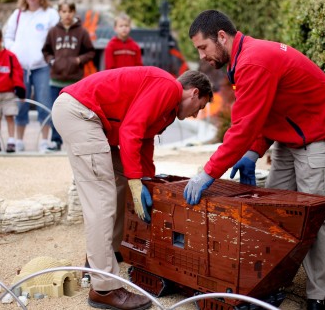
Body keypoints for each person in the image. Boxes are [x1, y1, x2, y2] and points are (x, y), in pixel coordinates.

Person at [184, 10, 325, 310]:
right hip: (292, 131)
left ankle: (320, 296)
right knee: (275, 211)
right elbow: (264, 110)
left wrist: (208, 173)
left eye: (203, 47)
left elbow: (243, 126)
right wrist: (253, 151)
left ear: (221, 36)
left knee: (317, 215)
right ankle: (272, 282)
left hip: (318, 130)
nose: (202, 56)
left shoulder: (253, 61)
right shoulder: (242, 59)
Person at [51, 67, 213, 310]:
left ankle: (105, 256)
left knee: (117, 182)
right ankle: (105, 288)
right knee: (101, 198)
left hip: (85, 114)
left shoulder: (168, 110)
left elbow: (144, 141)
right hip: (81, 113)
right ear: (193, 93)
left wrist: (145, 180)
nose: (194, 115)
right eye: (199, 107)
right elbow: (130, 131)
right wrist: (136, 183)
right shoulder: (169, 88)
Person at [4, 0, 59, 152]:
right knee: (20, 104)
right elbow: (8, 36)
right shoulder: (18, 13)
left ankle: (44, 141)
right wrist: (14, 50)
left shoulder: (50, 13)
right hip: (20, 67)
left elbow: (56, 37)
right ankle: (19, 140)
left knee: (45, 103)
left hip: (42, 66)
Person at [42, 0, 95, 152]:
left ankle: (77, 141)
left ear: (74, 12)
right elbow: (46, 50)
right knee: (55, 112)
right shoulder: (53, 31)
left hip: (75, 80)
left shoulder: (81, 31)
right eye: (63, 11)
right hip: (56, 79)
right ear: (59, 12)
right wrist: (52, 61)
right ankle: (56, 141)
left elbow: (91, 52)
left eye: (70, 11)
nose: (67, 14)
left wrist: (79, 60)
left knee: (76, 112)